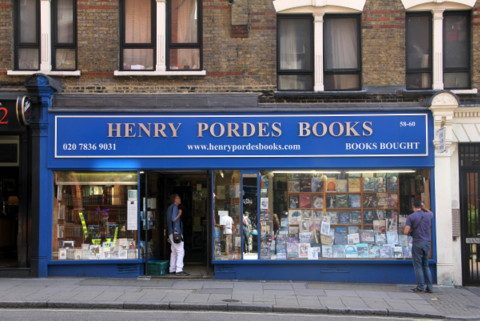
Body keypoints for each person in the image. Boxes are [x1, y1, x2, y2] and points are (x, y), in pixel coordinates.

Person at [403, 199, 433, 293]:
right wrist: (424, 208)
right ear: (421, 206)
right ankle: (430, 287)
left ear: (413, 206)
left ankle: (420, 287)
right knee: (426, 265)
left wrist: (409, 229)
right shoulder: (428, 215)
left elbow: (406, 231)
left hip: (417, 243)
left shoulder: (411, 217)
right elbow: (430, 212)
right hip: (427, 243)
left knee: (418, 266)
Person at [166, 194, 189, 276]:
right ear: (174, 199)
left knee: (174, 251)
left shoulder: (169, 208)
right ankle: (179, 269)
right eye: (178, 198)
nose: (180, 199)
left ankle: (172, 269)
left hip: (171, 232)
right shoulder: (175, 207)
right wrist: (179, 213)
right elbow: (173, 219)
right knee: (180, 251)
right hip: (176, 232)